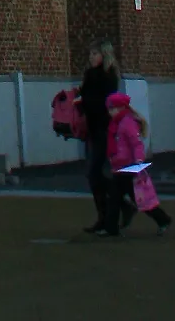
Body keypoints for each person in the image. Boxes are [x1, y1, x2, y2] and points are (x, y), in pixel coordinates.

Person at [102, 88, 171, 237]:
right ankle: (112, 228)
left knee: (137, 199)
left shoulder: (127, 123)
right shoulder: (117, 123)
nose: (109, 112)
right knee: (117, 198)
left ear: (121, 107)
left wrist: (139, 162)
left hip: (128, 168)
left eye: (112, 108)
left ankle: (163, 219)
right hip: (121, 167)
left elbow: (136, 144)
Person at [78, 41, 121, 235]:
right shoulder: (90, 75)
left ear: (104, 55)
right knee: (93, 174)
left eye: (95, 53)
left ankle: (114, 208)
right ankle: (105, 215)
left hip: (104, 128)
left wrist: (84, 101)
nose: (92, 57)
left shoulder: (108, 77)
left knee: (95, 171)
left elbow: (105, 102)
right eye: (91, 54)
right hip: (92, 128)